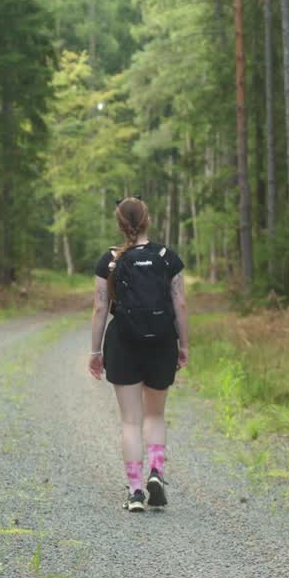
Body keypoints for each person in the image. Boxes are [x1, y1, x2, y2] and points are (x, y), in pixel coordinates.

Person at [88, 197, 189, 512]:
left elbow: (100, 307)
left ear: (120, 224)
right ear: (148, 220)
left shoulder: (110, 260)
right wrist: (183, 345)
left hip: (123, 343)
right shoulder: (167, 257)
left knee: (130, 421)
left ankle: (134, 492)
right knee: (155, 415)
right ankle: (156, 471)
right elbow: (180, 305)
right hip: (161, 342)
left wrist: (95, 350)